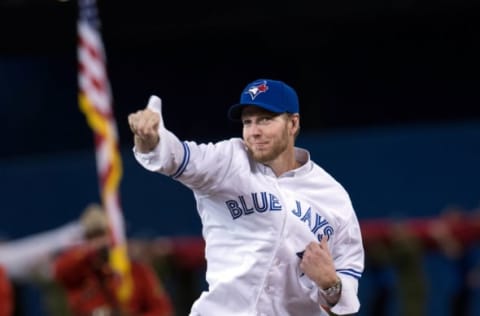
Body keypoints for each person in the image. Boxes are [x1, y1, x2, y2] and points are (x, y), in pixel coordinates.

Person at [127, 78, 365, 315]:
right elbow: (175, 157)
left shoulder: (333, 196)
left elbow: (347, 293)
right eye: (247, 122)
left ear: (293, 124)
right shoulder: (229, 160)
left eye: (265, 119)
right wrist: (150, 140)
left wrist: (329, 283)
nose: (254, 131)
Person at [53, 203, 174, 316]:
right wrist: (89, 252)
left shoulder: (138, 271)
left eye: (102, 235)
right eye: (92, 237)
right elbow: (60, 271)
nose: (99, 242)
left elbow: (161, 309)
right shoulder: (80, 271)